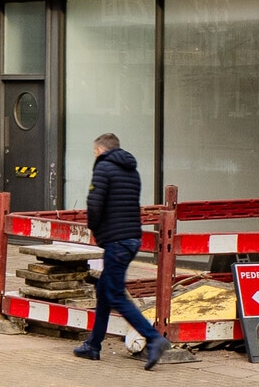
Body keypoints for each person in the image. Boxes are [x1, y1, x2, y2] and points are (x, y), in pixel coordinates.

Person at [74, 132, 167, 369]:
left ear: (100, 150)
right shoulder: (131, 170)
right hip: (132, 238)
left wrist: (94, 228)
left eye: (94, 151)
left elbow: (94, 204)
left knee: (114, 294)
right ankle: (93, 345)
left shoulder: (103, 169)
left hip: (116, 241)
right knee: (105, 291)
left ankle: (154, 338)